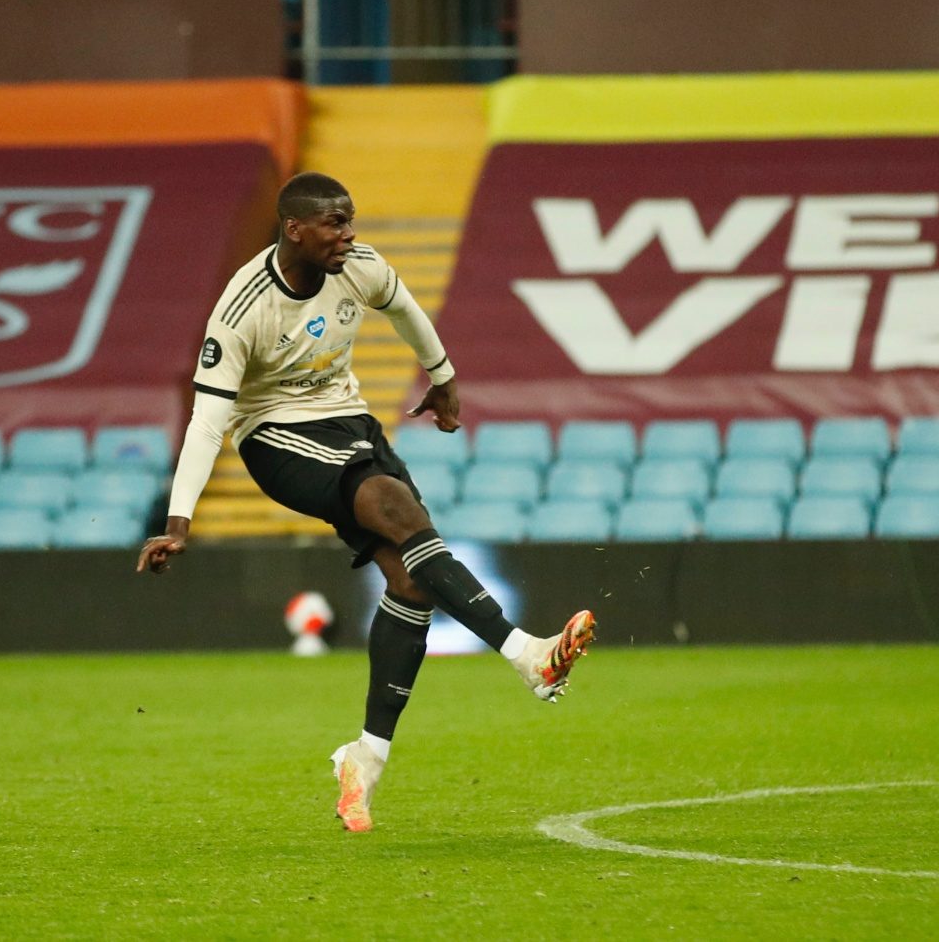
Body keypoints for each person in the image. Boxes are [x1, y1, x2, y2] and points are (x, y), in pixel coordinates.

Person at [136, 172, 596, 833]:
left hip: (350, 423)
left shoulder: (358, 266)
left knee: (413, 576)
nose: (347, 234)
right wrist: (178, 521)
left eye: (350, 220)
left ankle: (366, 757)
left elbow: (405, 307)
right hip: (275, 436)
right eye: (333, 223)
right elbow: (209, 422)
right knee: (399, 511)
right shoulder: (242, 309)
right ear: (294, 229)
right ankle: (528, 656)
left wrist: (443, 379)